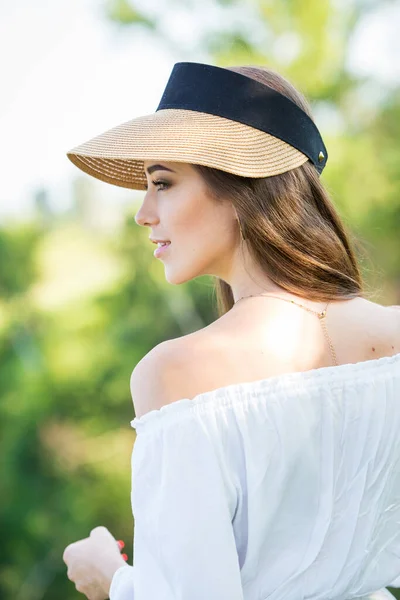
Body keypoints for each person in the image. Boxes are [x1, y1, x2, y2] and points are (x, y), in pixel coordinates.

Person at [63, 62, 400, 600]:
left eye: (163, 183)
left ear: (241, 187)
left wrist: (113, 579)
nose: (143, 213)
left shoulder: (177, 373)